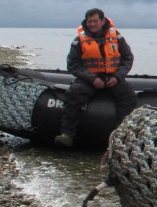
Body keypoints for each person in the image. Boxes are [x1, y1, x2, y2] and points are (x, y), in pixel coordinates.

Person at [53, 8, 137, 147]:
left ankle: (120, 136)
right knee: (74, 95)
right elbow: (73, 64)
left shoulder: (117, 37)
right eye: (89, 21)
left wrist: (117, 76)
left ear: (103, 21)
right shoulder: (79, 40)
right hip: (88, 79)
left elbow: (127, 58)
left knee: (129, 97)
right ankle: (67, 134)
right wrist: (92, 78)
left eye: (95, 21)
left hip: (113, 77)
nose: (92, 24)